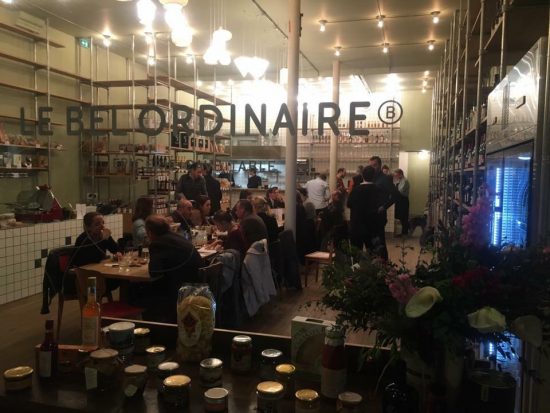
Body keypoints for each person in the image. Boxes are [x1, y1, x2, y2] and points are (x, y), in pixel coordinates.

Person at [144, 215, 204, 322]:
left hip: (181, 290)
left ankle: (152, 326)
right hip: (196, 284)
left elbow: (154, 272)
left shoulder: (158, 243)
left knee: (139, 291)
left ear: (149, 232)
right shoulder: (177, 237)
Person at [72, 212, 121, 295]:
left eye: (103, 223)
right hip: (85, 277)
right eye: (97, 224)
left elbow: (116, 249)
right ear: (88, 227)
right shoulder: (82, 239)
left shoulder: (102, 235)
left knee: (122, 280)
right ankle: (93, 301)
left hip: (99, 273)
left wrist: (117, 253)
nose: (102, 226)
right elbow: (91, 259)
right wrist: (104, 240)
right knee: (115, 281)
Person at [347, 166, 386, 255]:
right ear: (374, 176)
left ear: (362, 176)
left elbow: (349, 204)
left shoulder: (356, 190)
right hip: (372, 227)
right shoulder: (378, 190)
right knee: (373, 253)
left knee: (356, 253)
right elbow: (381, 206)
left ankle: (357, 264)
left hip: (357, 226)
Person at [369, 156, 400, 260]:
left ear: (380, 165)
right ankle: (373, 264)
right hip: (371, 214)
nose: (372, 168)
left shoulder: (385, 179)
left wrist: (384, 206)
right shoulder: (371, 178)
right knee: (372, 242)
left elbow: (396, 195)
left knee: (380, 241)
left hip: (379, 215)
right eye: (371, 166)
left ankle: (384, 263)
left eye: (374, 165)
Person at [393, 168, 410, 236]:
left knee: (404, 217)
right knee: (400, 216)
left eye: (396, 175)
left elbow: (400, 191)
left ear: (400, 174)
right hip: (400, 200)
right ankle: (403, 232)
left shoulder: (405, 181)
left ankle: (404, 233)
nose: (396, 177)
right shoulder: (400, 180)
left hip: (403, 200)